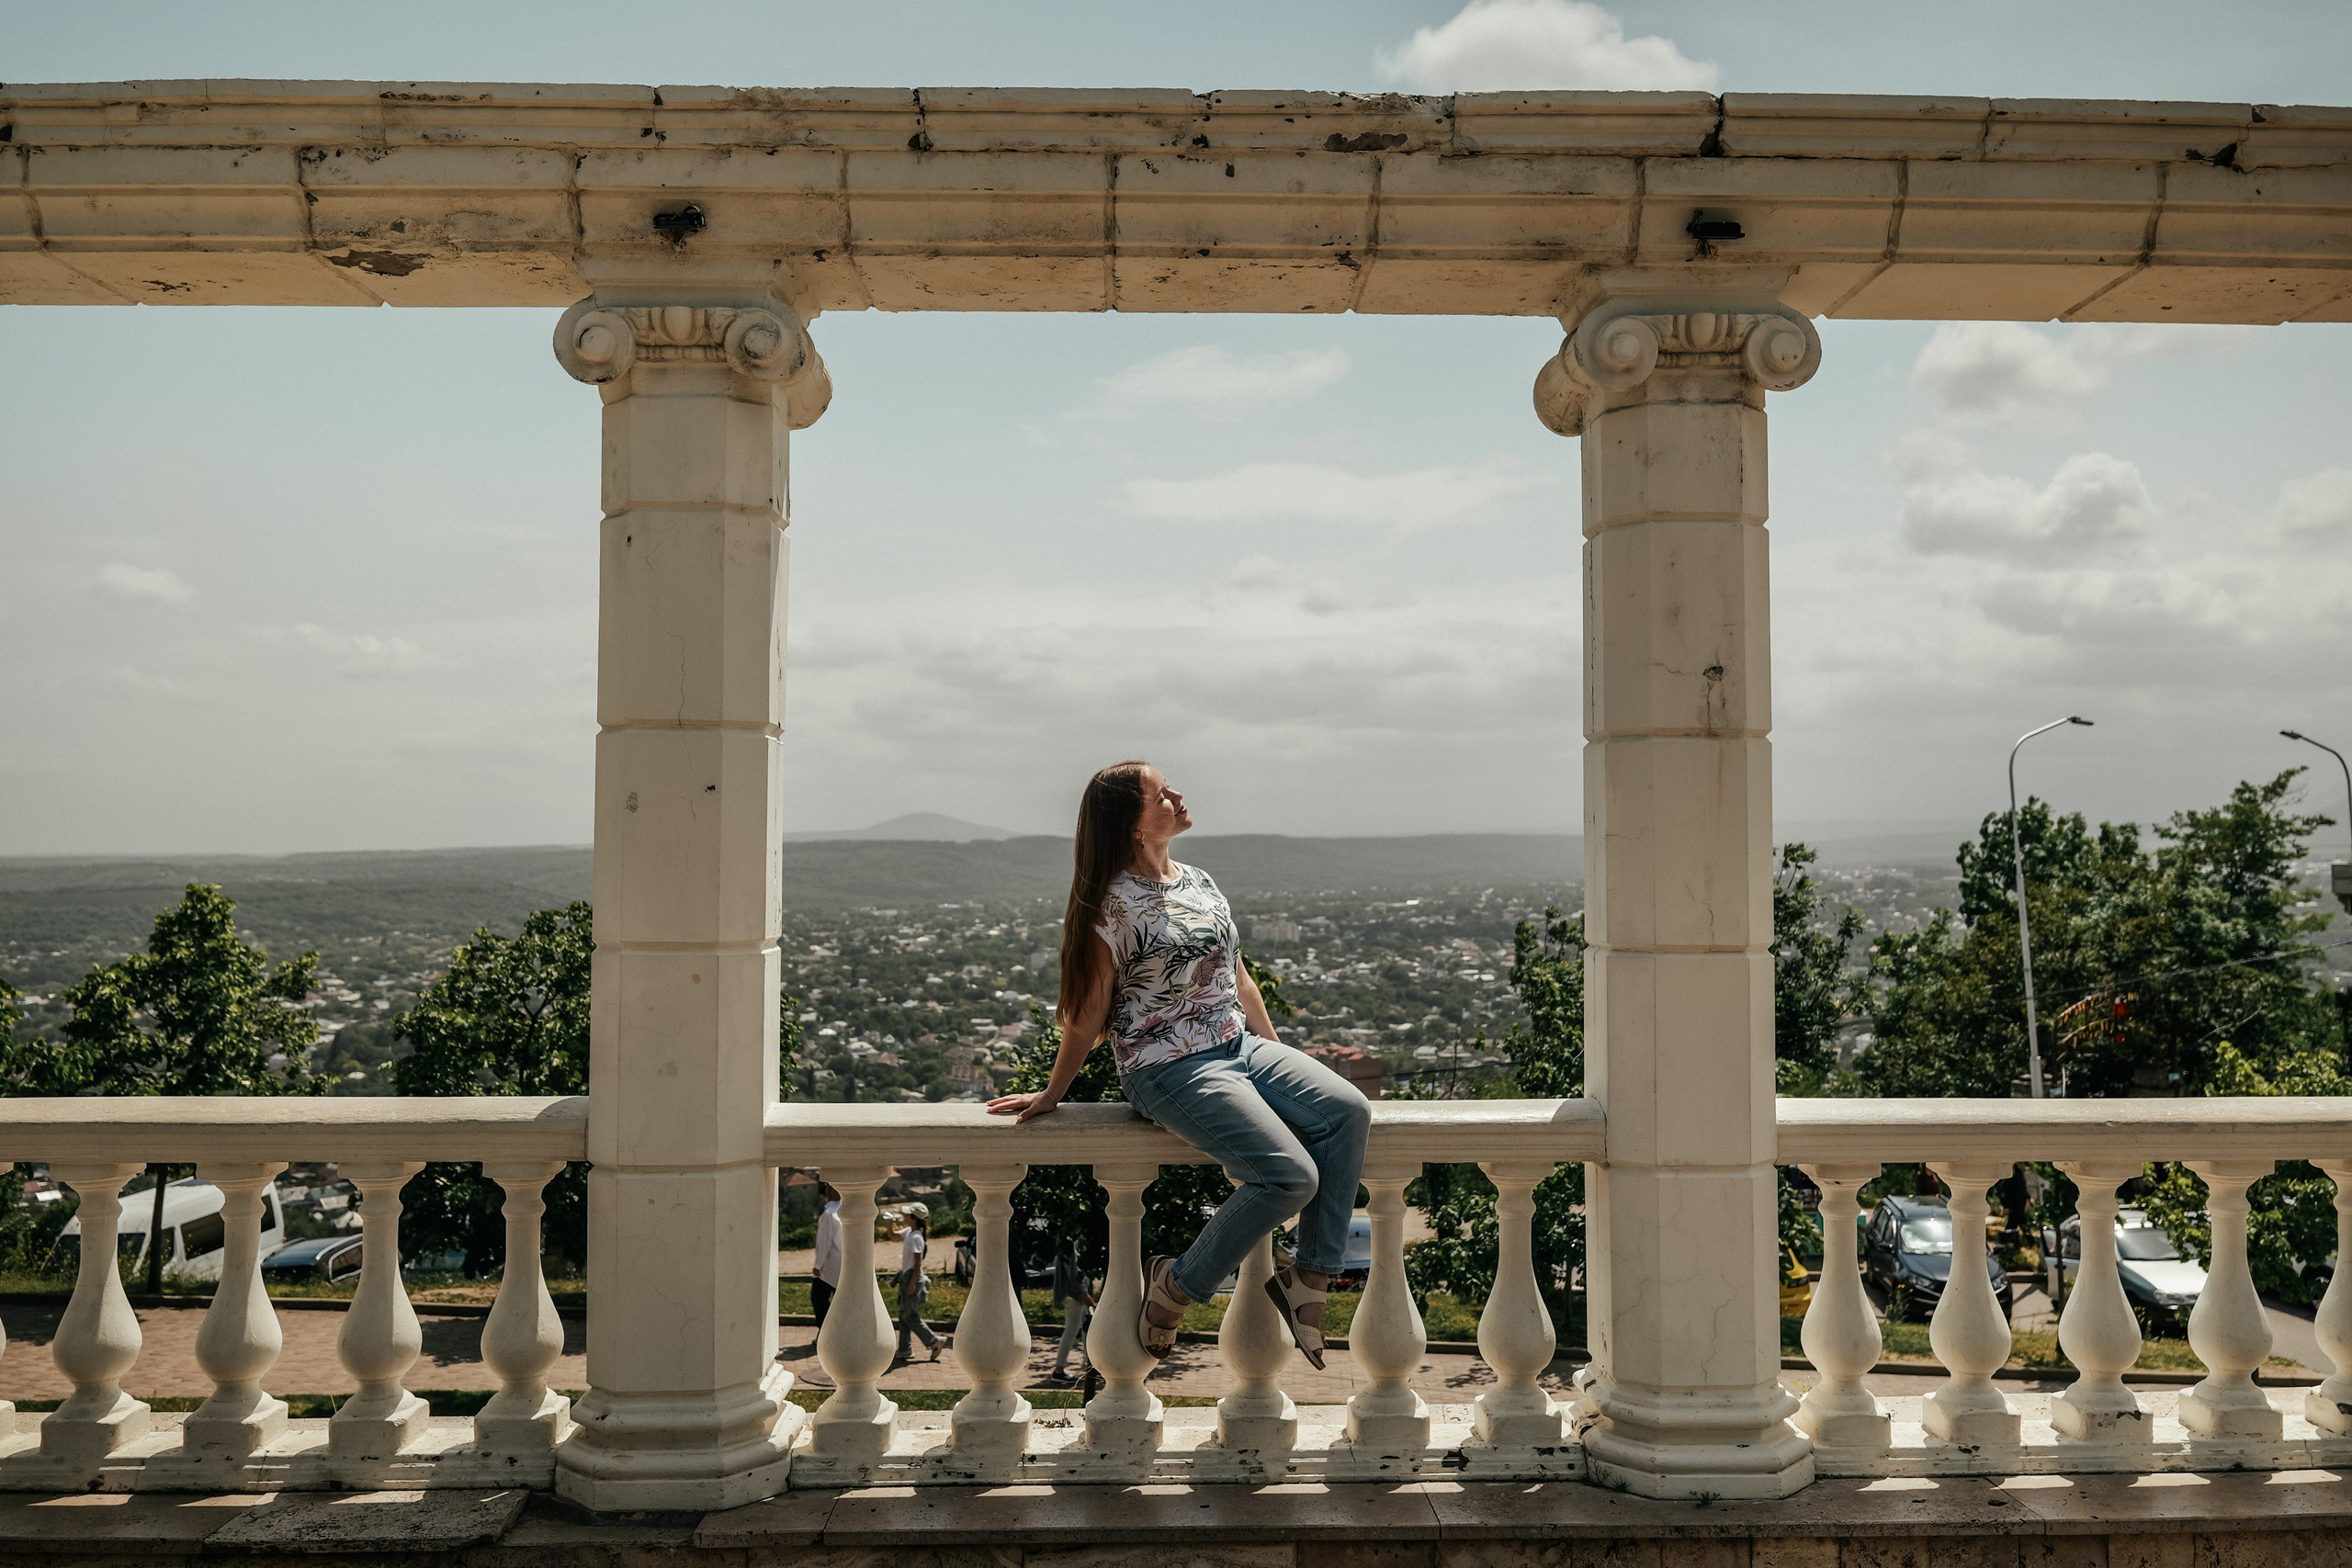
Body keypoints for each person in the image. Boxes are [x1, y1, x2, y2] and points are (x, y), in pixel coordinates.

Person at [989, 761, 1370, 1368]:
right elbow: (1088, 1016)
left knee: (1348, 1109)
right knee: (1290, 1176)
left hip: (1239, 1047)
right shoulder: (1112, 907)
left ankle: (1311, 1280)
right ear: (1133, 825)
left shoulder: (1198, 879)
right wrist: (1051, 1093)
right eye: (1159, 794)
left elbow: (1239, 979)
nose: (1177, 796)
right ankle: (1176, 1283)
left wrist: (1278, 1055)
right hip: (1167, 1066)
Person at [1045, 1237, 1096, 1386]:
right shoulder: (1070, 1241)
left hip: (1074, 1294)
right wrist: (1084, 1292)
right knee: (1073, 1330)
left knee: (1085, 1329)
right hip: (1074, 1294)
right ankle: (1059, 1370)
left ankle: (1090, 1366)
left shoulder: (1070, 1239)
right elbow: (1074, 1269)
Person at [894, 1203, 941, 1364]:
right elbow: (892, 1235)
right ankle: (904, 1349)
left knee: (909, 1314)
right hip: (908, 1277)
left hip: (911, 1277)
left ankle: (933, 1341)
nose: (905, 1217)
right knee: (903, 1314)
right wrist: (890, 1221)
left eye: (908, 1215)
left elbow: (917, 1264)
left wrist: (912, 1284)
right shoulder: (909, 1232)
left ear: (913, 1218)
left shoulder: (916, 1238)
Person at [810, 1180, 842, 1327]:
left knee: (818, 1299)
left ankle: (826, 1331)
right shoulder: (843, 1209)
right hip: (843, 1264)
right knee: (839, 1301)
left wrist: (817, 1265)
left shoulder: (829, 1214)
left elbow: (824, 1244)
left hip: (829, 1266)